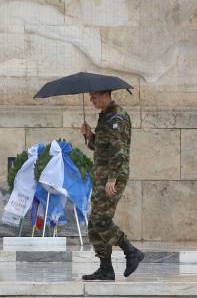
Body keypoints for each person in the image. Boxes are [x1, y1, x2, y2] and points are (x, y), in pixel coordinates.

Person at [80, 90, 144, 281]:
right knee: (94, 223)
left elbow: (118, 151)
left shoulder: (117, 117)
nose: (91, 100)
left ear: (105, 94)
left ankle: (131, 251)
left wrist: (112, 178)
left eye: (94, 97)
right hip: (101, 177)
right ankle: (106, 268)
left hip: (112, 177)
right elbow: (100, 148)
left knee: (101, 220)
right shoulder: (105, 117)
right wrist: (89, 135)